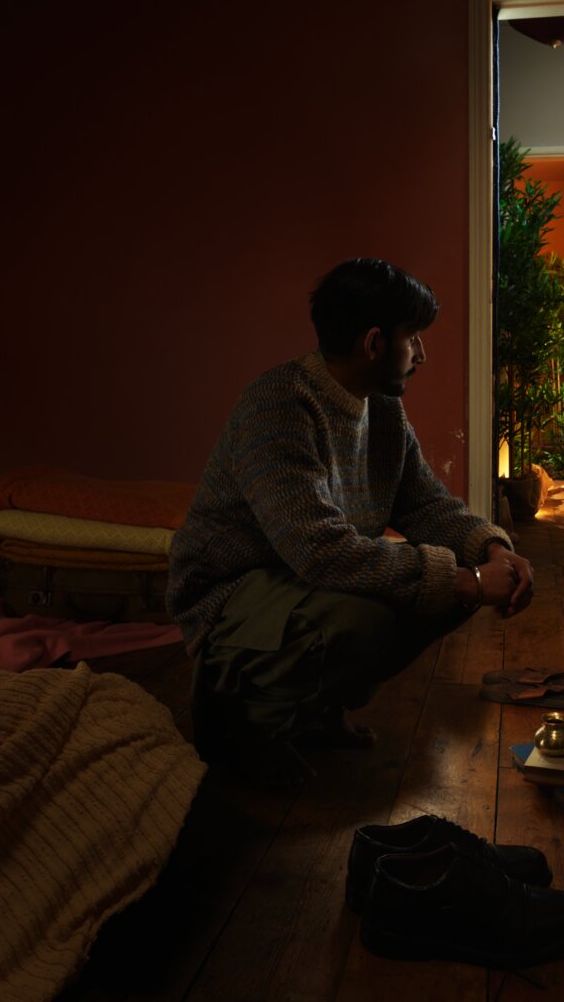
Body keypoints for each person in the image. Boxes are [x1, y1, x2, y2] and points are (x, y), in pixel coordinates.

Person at [165, 258, 536, 790]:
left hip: (300, 584)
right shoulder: (278, 405)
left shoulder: (381, 409)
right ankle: (244, 728)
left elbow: (426, 505)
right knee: (377, 614)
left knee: (439, 592)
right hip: (231, 594)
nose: (422, 354)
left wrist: (491, 551)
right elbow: (319, 550)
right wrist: (467, 581)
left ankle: (314, 709)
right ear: (374, 343)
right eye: (413, 338)